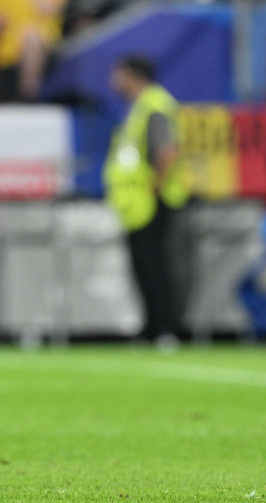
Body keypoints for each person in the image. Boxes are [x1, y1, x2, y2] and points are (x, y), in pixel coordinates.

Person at [103, 56, 188, 345]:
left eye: (118, 74)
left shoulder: (154, 105)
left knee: (157, 266)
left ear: (132, 75)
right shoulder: (139, 107)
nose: (113, 81)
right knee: (144, 266)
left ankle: (166, 328)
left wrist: (155, 185)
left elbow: (167, 150)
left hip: (154, 199)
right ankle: (152, 326)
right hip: (137, 202)